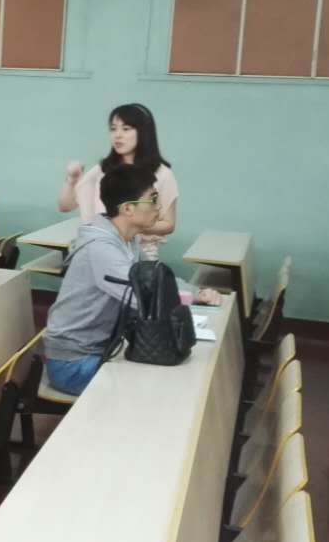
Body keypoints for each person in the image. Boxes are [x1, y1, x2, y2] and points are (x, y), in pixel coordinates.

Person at [45, 165, 219, 396]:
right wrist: (186, 300)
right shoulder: (101, 249)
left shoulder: (128, 239)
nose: (159, 207)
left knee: (173, 380)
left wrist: (197, 293)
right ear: (127, 208)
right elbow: (147, 301)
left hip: (104, 348)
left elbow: (155, 278)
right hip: (74, 363)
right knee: (162, 389)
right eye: (153, 199)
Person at [57, 103, 178, 259]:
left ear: (144, 133)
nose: (117, 135)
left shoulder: (162, 174)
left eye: (126, 129)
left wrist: (131, 227)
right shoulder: (103, 169)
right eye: (113, 129)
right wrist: (72, 180)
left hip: (142, 255)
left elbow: (169, 224)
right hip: (99, 249)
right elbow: (65, 206)